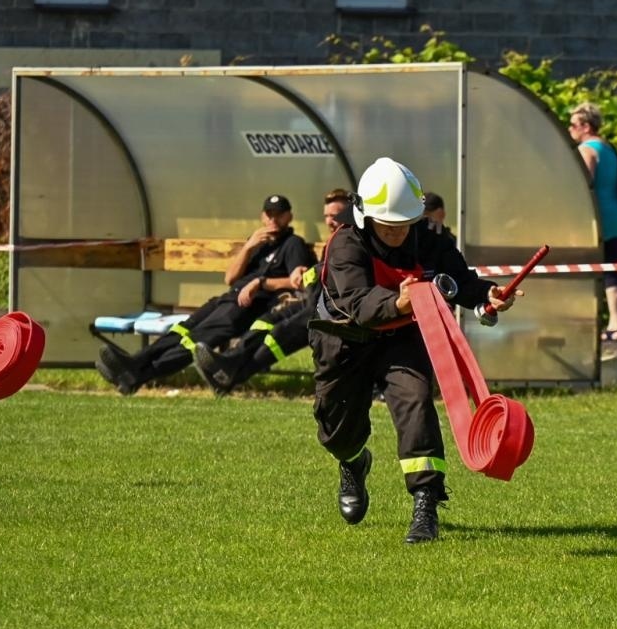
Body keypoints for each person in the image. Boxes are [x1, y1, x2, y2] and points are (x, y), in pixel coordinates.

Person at [310, 158, 519, 545]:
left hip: (403, 338)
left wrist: (487, 294)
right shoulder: (343, 245)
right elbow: (359, 303)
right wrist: (399, 303)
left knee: (416, 402)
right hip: (344, 341)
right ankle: (354, 462)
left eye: (405, 224)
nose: (397, 233)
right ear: (365, 216)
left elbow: (460, 279)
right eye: (388, 226)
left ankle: (425, 504)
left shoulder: (430, 238)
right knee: (337, 433)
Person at [95, 193, 316, 394]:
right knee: (180, 331)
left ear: (289, 217)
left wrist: (261, 282)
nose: (273, 220)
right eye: (269, 215)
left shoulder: (293, 244)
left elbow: (296, 282)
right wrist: (248, 247)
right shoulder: (257, 243)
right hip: (226, 298)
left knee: (194, 341)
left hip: (246, 305)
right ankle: (136, 364)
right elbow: (230, 278)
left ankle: (138, 374)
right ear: (262, 216)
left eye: (279, 215)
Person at [192, 188, 351, 396]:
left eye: (336, 216)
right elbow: (321, 276)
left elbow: (344, 284)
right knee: (267, 320)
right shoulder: (333, 241)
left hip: (336, 312)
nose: (330, 221)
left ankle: (231, 372)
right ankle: (229, 362)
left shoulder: (351, 241)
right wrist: (306, 273)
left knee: (280, 332)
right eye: (327, 216)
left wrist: (270, 282)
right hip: (314, 302)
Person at [568, 103, 617, 343]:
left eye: (573, 125)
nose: (569, 129)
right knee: (613, 268)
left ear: (585, 126)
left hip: (596, 218)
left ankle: (585, 319)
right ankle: (615, 322)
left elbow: (586, 185)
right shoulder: (608, 148)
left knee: (585, 270)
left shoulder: (587, 149)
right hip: (616, 215)